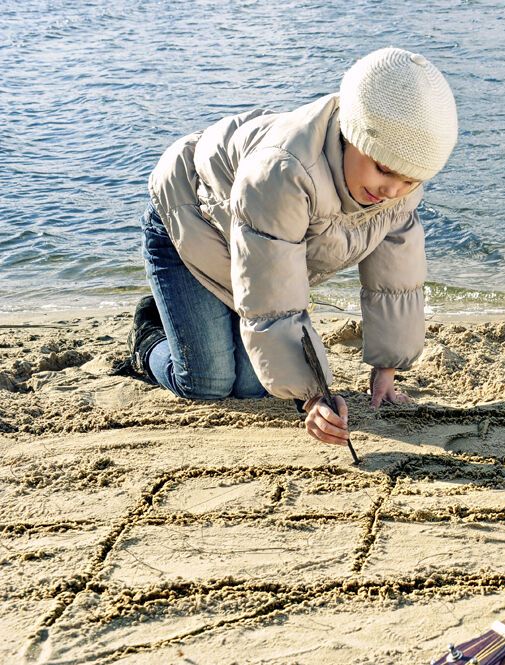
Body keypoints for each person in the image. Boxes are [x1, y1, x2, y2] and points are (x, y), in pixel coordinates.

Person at [127, 47, 458, 448]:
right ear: (351, 133)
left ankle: (191, 318)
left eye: (409, 181)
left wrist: (386, 369)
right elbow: (275, 296)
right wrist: (313, 396)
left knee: (252, 386)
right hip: (188, 224)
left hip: (250, 254)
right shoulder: (283, 172)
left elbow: (396, 278)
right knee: (208, 382)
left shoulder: (397, 188)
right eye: (383, 170)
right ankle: (148, 335)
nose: (391, 190)